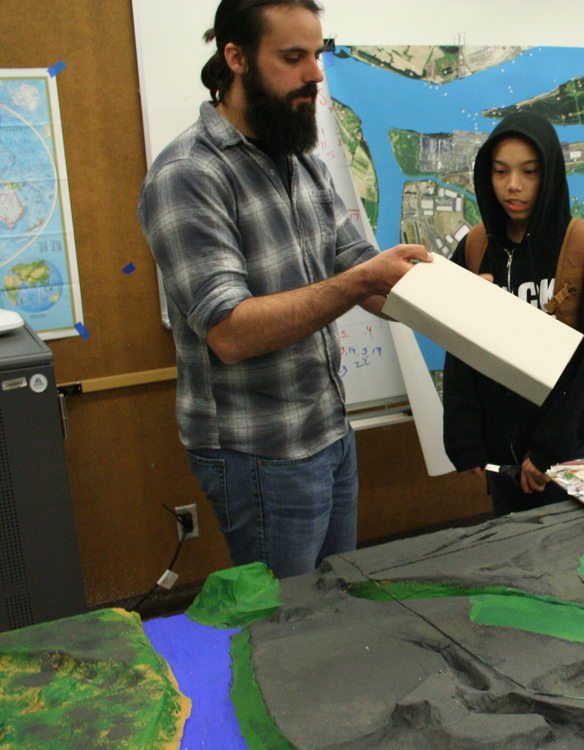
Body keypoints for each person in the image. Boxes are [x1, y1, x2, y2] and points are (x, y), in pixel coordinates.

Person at [137, 0, 430, 578]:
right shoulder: (189, 175)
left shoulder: (302, 162)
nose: (316, 75)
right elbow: (230, 331)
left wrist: (455, 301)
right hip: (259, 455)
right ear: (236, 57)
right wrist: (363, 278)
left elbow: (361, 273)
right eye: (293, 58)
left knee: (332, 600)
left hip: (329, 432)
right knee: (285, 624)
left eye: (316, 56)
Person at [442, 112, 584, 517]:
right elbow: (459, 352)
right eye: (500, 171)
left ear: (549, 174)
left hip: (567, 451)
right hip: (502, 456)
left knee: (569, 563)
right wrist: (466, 441)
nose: (514, 185)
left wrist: (548, 451)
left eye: (529, 172)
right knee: (513, 559)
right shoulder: (475, 249)